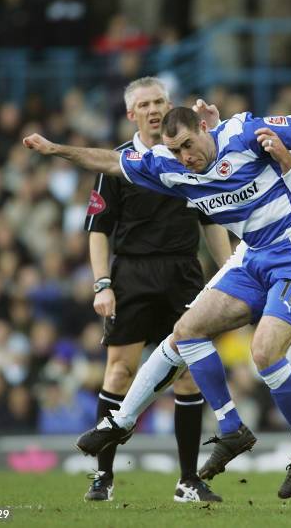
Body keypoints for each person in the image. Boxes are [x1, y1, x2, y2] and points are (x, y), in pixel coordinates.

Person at [74, 72, 291, 497]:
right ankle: (121, 422)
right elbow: (238, 155)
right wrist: (218, 139)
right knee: (183, 334)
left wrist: (279, 159)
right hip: (257, 253)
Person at [24, 108, 291, 499]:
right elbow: (110, 160)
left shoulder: (241, 134)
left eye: (188, 146)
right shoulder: (167, 166)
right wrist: (55, 149)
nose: (185, 158)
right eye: (175, 150)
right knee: (186, 331)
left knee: (263, 352)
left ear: (204, 128)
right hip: (253, 257)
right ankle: (230, 427)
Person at [83, 77, 232, 503]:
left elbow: (211, 219)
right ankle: (102, 476)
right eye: (145, 104)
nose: (153, 109)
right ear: (131, 114)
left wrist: (226, 271)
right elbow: (98, 230)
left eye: (160, 101)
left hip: (185, 274)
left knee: (189, 376)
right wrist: (102, 284)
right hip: (132, 275)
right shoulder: (117, 163)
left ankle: (188, 480)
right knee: (119, 372)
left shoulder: (190, 156)